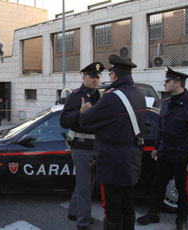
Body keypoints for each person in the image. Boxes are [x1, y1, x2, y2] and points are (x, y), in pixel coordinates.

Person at [136, 67, 188, 230]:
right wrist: (156, 148)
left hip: (182, 157)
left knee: (183, 190)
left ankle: (182, 219)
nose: (164, 83)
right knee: (157, 186)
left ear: (177, 83)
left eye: (167, 81)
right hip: (165, 155)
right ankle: (154, 214)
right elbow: (162, 129)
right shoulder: (167, 103)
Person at [79, 54, 146, 230]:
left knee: (112, 209)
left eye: (109, 74)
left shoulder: (112, 96)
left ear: (114, 75)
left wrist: (84, 111)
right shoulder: (138, 94)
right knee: (128, 206)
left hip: (113, 163)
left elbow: (86, 122)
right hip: (131, 160)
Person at [60, 61, 104, 230]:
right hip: (81, 144)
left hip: (95, 144)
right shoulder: (76, 96)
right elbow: (63, 121)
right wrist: (80, 112)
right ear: (84, 77)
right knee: (85, 186)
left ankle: (73, 211)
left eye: (98, 77)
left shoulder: (99, 96)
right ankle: (83, 222)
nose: (95, 80)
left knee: (87, 182)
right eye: (92, 77)